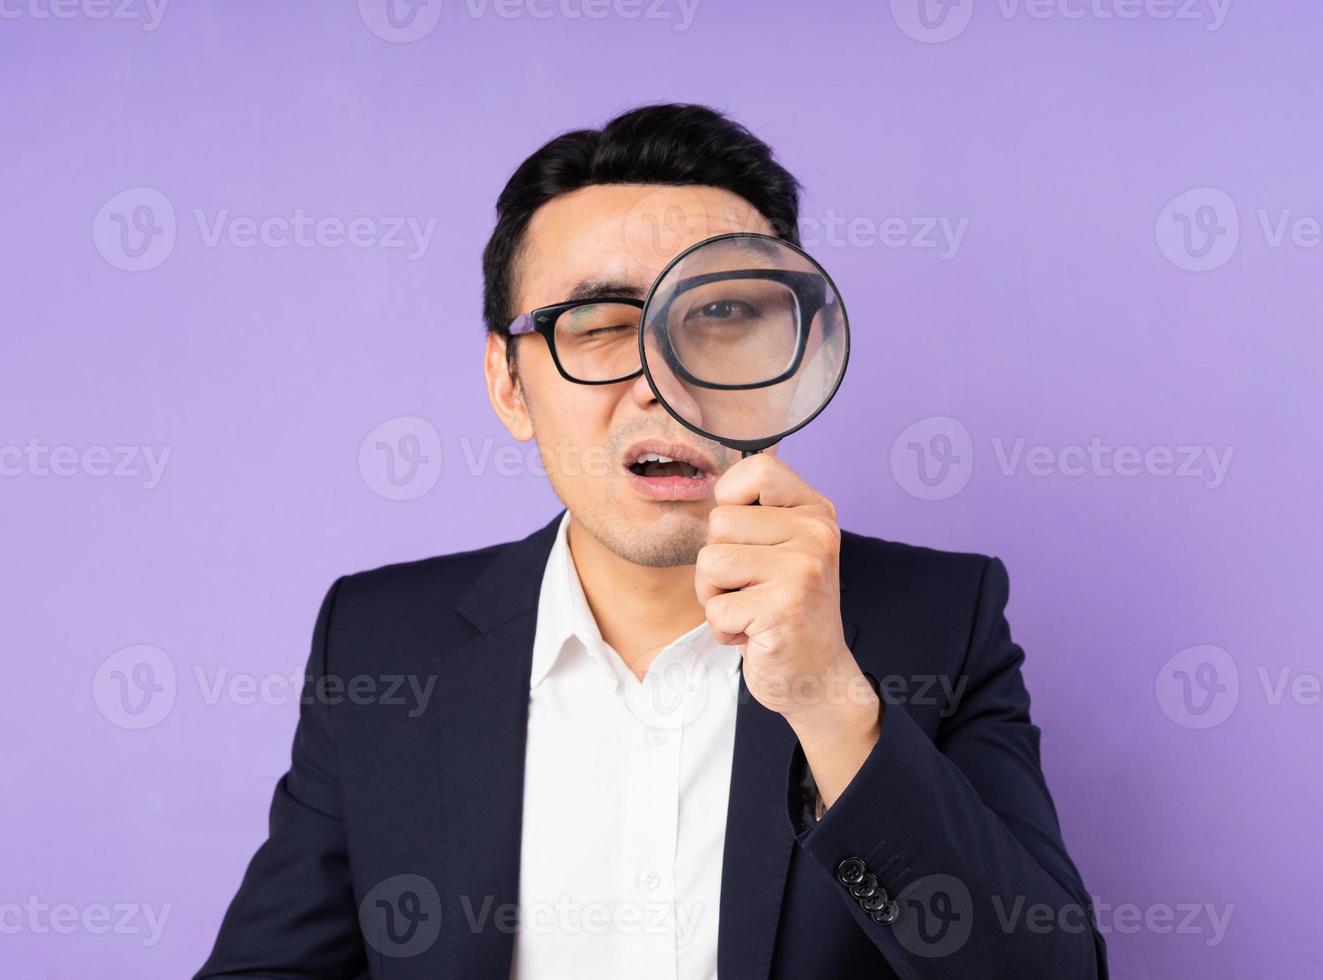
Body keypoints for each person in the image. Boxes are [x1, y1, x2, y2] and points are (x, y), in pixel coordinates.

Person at [195, 102, 1107, 980]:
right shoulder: (379, 641)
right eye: (598, 326)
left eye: (719, 318)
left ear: (796, 355)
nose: (663, 384)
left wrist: (831, 700)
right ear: (509, 385)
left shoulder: (941, 622)